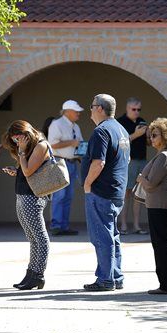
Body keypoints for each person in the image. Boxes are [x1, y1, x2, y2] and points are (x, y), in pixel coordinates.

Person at [81, 94, 130, 291]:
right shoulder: (121, 129)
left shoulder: (101, 131)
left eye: (92, 106)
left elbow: (98, 162)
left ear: (100, 108)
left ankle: (105, 279)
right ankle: (115, 276)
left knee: (102, 236)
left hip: (101, 191)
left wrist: (87, 183)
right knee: (112, 235)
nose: (90, 110)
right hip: (116, 191)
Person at [1, 120, 51, 290]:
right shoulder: (28, 147)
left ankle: (38, 274)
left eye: (18, 139)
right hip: (23, 193)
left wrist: (22, 151)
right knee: (32, 238)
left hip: (34, 196)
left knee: (40, 237)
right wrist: (16, 171)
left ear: (26, 134)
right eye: (14, 141)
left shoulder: (40, 145)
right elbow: (27, 170)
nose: (17, 143)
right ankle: (31, 273)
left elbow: (29, 171)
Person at [137, 118, 167, 294]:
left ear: (166, 136)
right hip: (164, 204)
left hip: (161, 206)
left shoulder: (165, 156)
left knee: (162, 245)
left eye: (155, 135)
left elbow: (149, 184)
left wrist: (140, 178)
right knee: (165, 245)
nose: (151, 138)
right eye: (151, 135)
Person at [47, 100, 84, 236]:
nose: (78, 114)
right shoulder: (57, 124)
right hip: (59, 162)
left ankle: (64, 226)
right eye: (76, 111)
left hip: (72, 163)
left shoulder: (76, 127)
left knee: (68, 196)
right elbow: (52, 144)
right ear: (67, 111)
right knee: (59, 195)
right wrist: (71, 143)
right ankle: (56, 226)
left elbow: (79, 144)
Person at [117, 97, 148, 235]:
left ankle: (136, 225)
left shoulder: (142, 122)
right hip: (128, 161)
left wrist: (147, 135)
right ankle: (123, 224)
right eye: (133, 109)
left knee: (138, 194)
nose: (136, 112)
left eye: (139, 109)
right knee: (126, 193)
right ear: (127, 108)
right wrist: (136, 134)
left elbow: (147, 143)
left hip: (142, 161)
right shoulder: (120, 122)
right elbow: (120, 143)